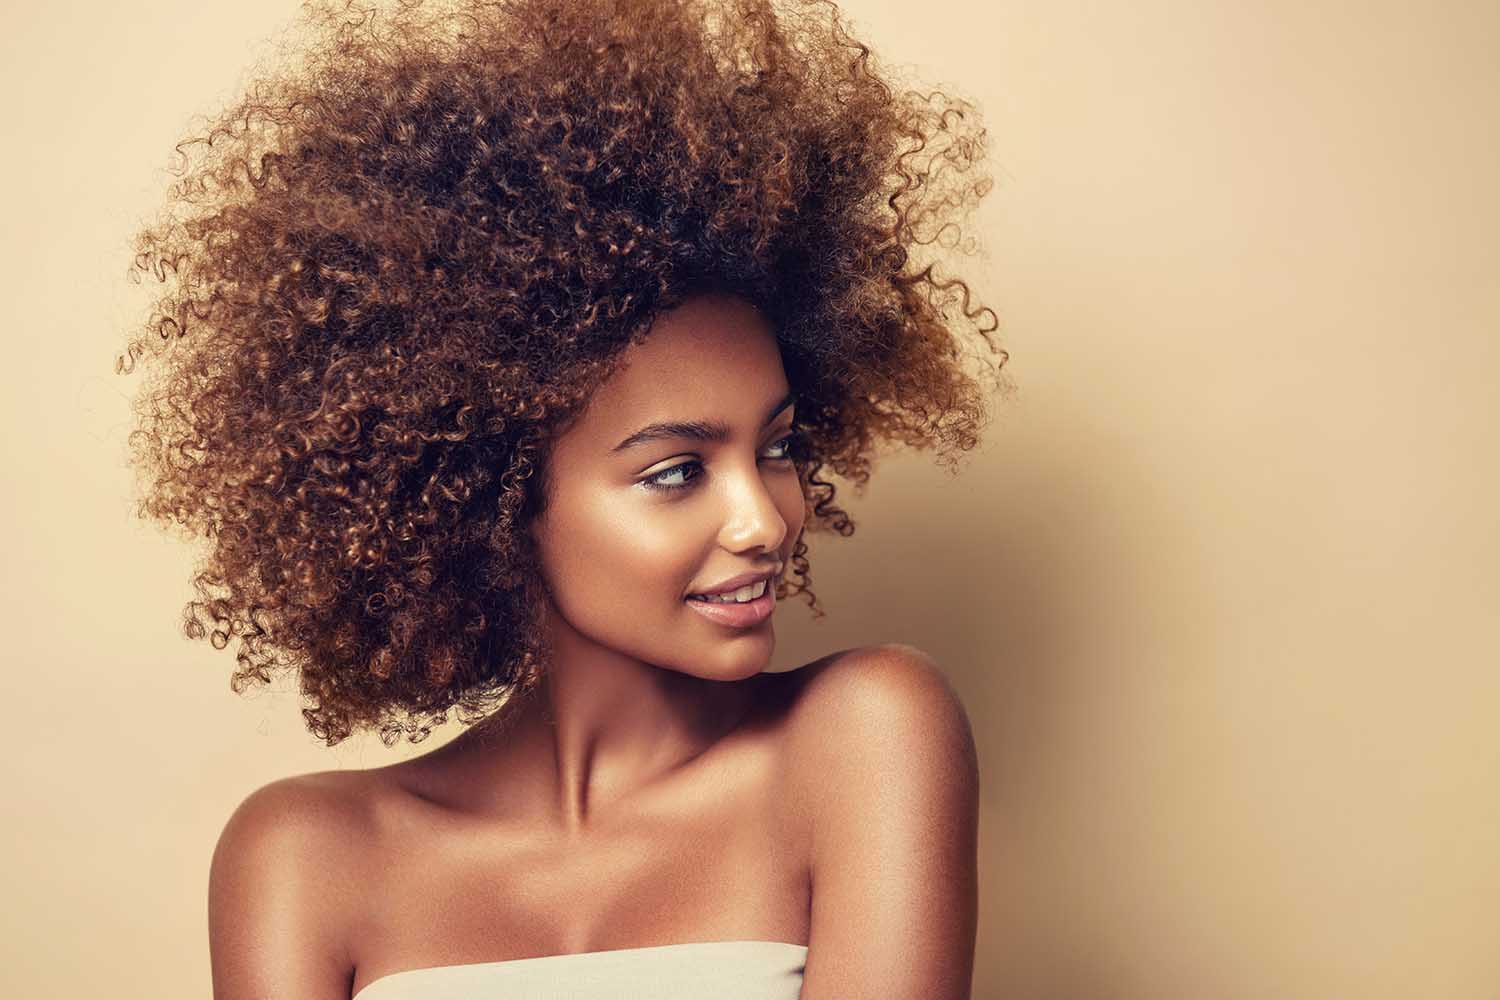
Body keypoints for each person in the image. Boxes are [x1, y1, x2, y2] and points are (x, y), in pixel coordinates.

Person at [118, 0, 1009, 996]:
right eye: (676, 471)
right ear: (489, 499)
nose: (764, 520)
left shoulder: (862, 738)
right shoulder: (304, 855)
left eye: (776, 447)